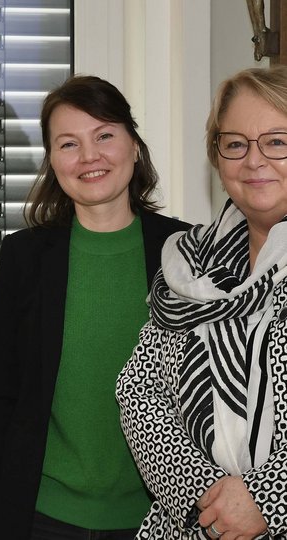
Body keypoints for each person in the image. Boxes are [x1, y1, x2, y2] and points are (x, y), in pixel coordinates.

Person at [0, 75, 191, 540]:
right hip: (41, 520)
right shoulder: (23, 259)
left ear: (134, 145)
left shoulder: (187, 253)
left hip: (162, 521)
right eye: (68, 144)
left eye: (104, 135)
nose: (89, 157)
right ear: (53, 162)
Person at [116, 65, 287, 540]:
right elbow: (139, 391)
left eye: (277, 141)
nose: (253, 161)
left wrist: (268, 498)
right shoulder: (190, 263)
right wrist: (209, 501)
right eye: (235, 143)